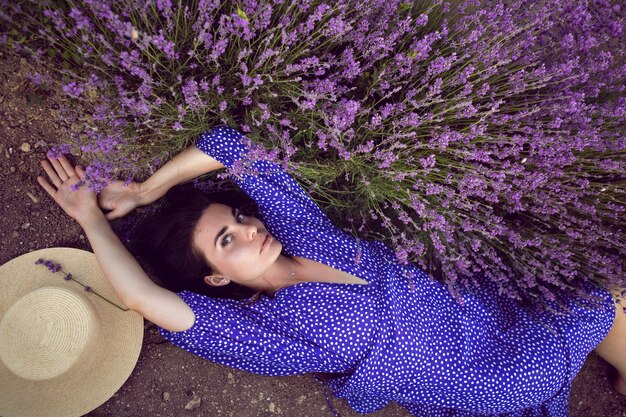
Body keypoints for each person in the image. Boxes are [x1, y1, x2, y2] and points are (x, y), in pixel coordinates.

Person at [37, 125, 626, 416]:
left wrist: (146, 189)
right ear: (217, 278)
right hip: (482, 373)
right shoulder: (262, 329)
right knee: (602, 295)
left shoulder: (300, 233)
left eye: (239, 216)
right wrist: (92, 218)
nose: (248, 229)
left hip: (484, 309)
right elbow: (142, 297)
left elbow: (234, 144)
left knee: (587, 292)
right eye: (227, 241)